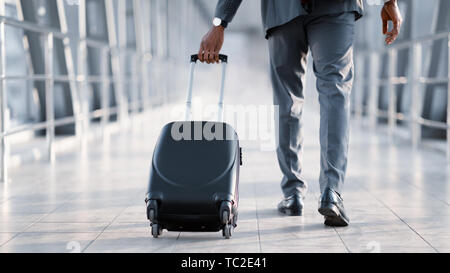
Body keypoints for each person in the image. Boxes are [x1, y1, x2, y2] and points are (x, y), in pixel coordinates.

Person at [198, 0, 402, 226]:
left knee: (287, 99)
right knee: (335, 92)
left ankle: (293, 193)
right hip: (336, 8)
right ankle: (331, 192)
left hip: (282, 11)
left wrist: (220, 22)